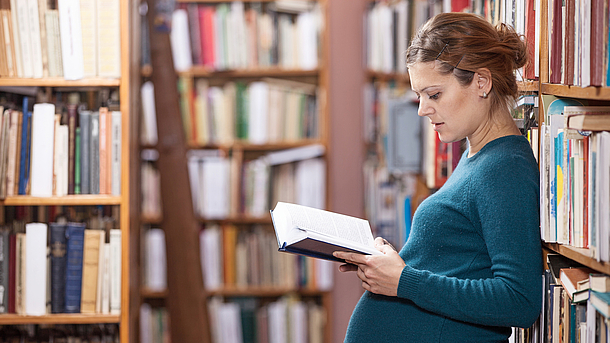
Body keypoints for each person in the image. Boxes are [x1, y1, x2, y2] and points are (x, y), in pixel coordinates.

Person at [334, 12, 542, 342]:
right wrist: (393, 265)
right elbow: (457, 265)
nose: (422, 109)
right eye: (419, 96)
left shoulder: (506, 168)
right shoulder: (476, 153)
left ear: (481, 82)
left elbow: (519, 300)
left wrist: (404, 281)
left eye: (434, 94)